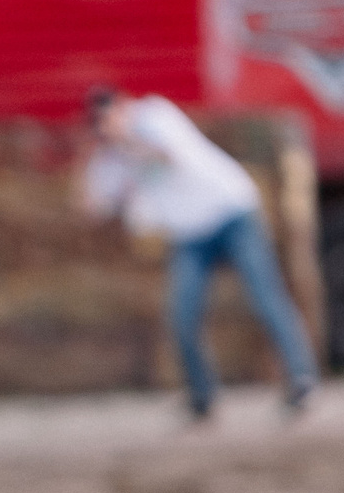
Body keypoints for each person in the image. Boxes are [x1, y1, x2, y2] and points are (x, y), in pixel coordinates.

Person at [80, 86, 319, 420]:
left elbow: (169, 155)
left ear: (121, 106)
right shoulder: (112, 155)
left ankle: (301, 379)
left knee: (265, 296)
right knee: (181, 316)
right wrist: (95, 158)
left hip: (232, 214)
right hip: (191, 235)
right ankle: (202, 397)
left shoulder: (153, 116)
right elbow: (94, 207)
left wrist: (126, 141)